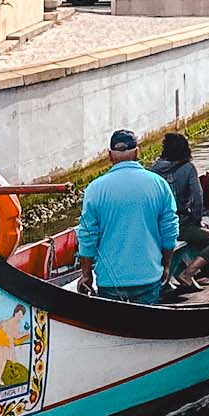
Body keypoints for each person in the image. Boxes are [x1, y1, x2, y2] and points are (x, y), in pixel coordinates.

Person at [75, 128, 179, 303]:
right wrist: (166, 266)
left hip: (109, 282)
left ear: (109, 155)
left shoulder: (94, 189)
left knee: (112, 327)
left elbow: (87, 236)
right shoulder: (159, 184)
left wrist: (86, 275)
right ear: (137, 152)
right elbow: (170, 231)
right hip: (149, 276)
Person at [151, 131, 209, 288]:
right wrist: (197, 220)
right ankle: (188, 273)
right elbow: (197, 200)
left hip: (158, 225)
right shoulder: (188, 168)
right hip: (180, 225)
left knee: (201, 234)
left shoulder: (153, 171)